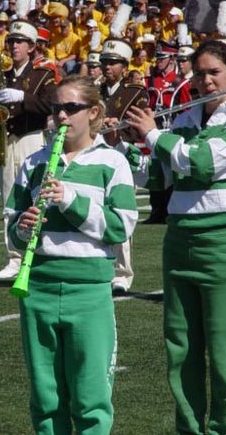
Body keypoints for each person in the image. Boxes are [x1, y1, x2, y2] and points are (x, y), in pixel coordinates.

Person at [126, 39, 226, 434]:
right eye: (199, 73)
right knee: (180, 353)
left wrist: (153, 137)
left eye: (214, 73)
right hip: (179, 242)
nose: (205, 81)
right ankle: (187, 430)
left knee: (225, 355)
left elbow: (200, 164)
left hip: (223, 245)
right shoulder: (185, 121)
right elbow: (158, 176)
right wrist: (121, 150)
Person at [6, 75, 138, 434]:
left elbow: (120, 227)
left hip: (90, 290)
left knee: (91, 396)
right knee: (46, 399)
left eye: (70, 108)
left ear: (93, 112)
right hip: (38, 288)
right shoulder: (35, 162)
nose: (60, 116)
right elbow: (11, 226)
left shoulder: (113, 162)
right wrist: (21, 228)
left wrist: (70, 201)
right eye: (55, 108)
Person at [0, 19, 56, 280]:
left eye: (19, 42)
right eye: (10, 41)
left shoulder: (43, 75)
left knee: (37, 196)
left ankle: (40, 252)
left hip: (31, 138)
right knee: (10, 199)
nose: (13, 46)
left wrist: (23, 98)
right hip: (7, 138)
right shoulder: (3, 76)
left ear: (31, 47)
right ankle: (14, 257)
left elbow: (51, 103)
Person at [99, 38, 149, 293]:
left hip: (119, 154)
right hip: (94, 154)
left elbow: (138, 126)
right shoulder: (92, 90)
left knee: (119, 211)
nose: (107, 67)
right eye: (104, 62)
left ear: (124, 66)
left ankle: (122, 271)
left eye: (113, 62)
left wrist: (116, 129)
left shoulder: (135, 92)